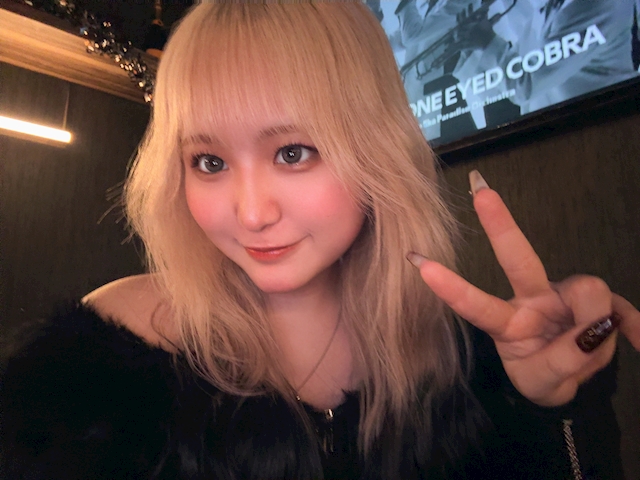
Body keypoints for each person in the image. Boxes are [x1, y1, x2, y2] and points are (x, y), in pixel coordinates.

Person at [2, 2, 639, 479]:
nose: (252, 214)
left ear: (376, 153)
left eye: (293, 152)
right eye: (209, 162)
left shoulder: (463, 363)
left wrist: (550, 408)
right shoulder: (104, 356)